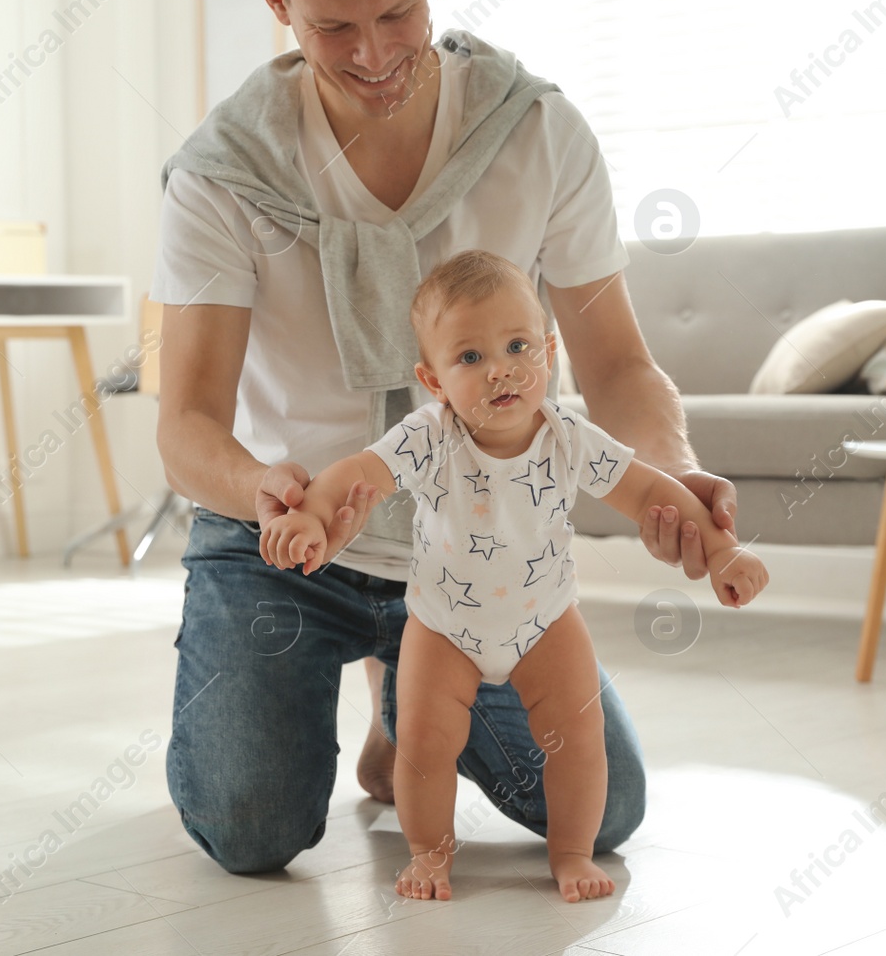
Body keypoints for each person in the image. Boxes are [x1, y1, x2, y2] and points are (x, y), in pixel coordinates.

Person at [151, 0, 745, 878]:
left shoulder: (538, 133)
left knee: (608, 811)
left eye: (396, 15)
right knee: (248, 826)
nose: (375, 56)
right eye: (333, 27)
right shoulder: (223, 170)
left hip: (484, 549)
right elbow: (187, 423)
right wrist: (263, 489)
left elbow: (618, 367)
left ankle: (406, 698)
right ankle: (373, 679)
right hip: (288, 532)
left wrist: (673, 473)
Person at [260, 251, 767, 902]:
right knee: (424, 743)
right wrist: (312, 517)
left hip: (546, 618)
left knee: (580, 738)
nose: (500, 367)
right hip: (445, 625)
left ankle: (573, 853)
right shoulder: (431, 434)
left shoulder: (567, 435)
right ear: (433, 379)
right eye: (469, 357)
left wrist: (722, 550)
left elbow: (653, 492)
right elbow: (357, 473)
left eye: (517, 345)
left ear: (549, 351)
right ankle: (429, 854)